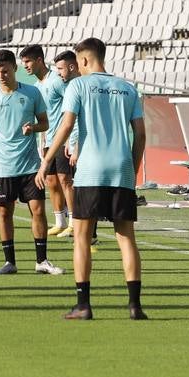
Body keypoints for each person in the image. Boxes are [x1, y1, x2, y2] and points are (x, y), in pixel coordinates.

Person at [38, 37, 147, 320]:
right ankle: (135, 306)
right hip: (121, 169)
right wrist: (131, 170)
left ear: (83, 60)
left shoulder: (78, 85)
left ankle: (83, 305)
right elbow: (141, 134)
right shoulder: (127, 88)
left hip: (90, 170)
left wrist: (47, 160)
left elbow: (67, 125)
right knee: (126, 238)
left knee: (82, 238)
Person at [0, 49, 62, 276]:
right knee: (4, 213)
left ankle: (41, 261)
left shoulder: (32, 93)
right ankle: (9, 262)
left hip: (31, 166)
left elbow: (45, 123)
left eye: (5, 70)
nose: (1, 75)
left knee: (38, 210)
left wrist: (33, 127)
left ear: (15, 68)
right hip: (3, 167)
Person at [24, 46, 77, 238]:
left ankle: (73, 222)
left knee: (65, 180)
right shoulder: (37, 87)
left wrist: (71, 140)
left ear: (39, 60)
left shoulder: (57, 81)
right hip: (47, 140)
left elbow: (71, 107)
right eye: (23, 62)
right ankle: (60, 222)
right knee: (51, 181)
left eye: (28, 61)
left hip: (62, 139)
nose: (25, 66)